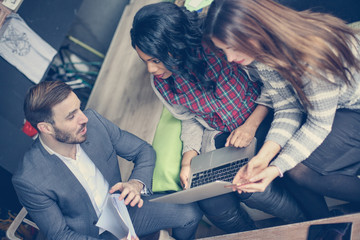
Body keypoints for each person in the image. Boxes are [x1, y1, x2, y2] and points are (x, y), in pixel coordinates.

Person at [130, 2, 305, 233]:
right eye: (146, 62)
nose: (151, 70)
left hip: (263, 115)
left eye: (156, 59)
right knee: (211, 201)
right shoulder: (162, 81)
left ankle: (304, 222)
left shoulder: (221, 48)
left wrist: (250, 126)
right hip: (221, 137)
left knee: (249, 188)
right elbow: (189, 118)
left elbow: (272, 86)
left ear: (176, 44)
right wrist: (188, 159)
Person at [204, 0, 360, 220]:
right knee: (287, 166)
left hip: (354, 107)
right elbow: (287, 107)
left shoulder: (310, 57)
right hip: (339, 108)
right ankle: (325, 225)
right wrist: (263, 159)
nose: (230, 58)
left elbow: (319, 124)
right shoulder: (261, 56)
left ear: (255, 29)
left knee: (295, 169)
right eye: (223, 50)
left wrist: (276, 166)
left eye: (233, 46)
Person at [12, 80, 203, 240]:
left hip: (126, 209)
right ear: (46, 128)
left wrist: (136, 184)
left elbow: (143, 150)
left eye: (79, 108)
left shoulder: (93, 122)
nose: (83, 118)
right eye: (71, 116)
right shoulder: (29, 179)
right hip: (91, 235)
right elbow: (60, 234)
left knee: (190, 214)